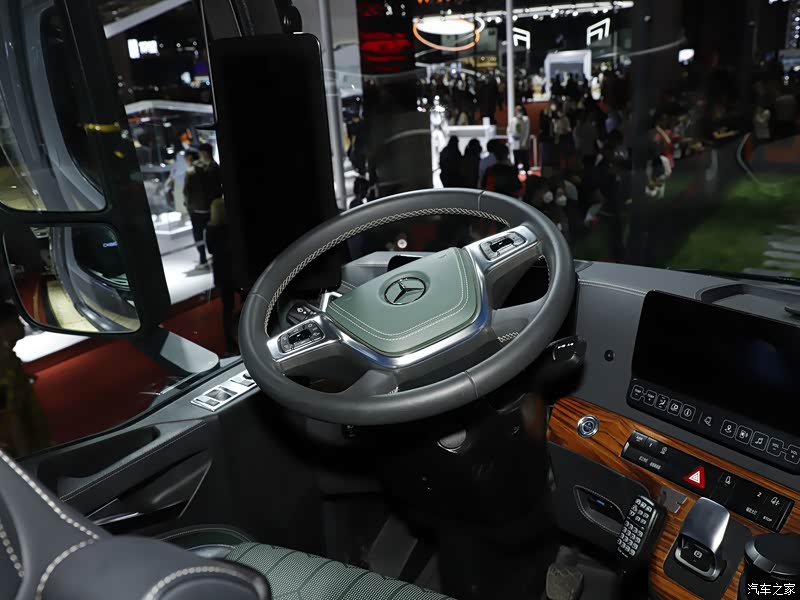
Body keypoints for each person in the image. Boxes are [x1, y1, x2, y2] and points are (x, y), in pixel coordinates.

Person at [0, 302, 50, 457]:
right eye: (16, 321)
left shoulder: (10, 361)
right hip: (28, 453)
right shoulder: (4, 369)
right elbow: (11, 419)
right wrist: (27, 458)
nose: (22, 325)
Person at [183, 149, 211, 269]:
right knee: (211, 233)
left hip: (197, 210)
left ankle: (203, 260)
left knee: (198, 236)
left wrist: (188, 206)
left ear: (189, 157)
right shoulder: (207, 167)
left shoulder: (190, 171)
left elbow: (186, 192)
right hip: (210, 208)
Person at [509, 105, 531, 171]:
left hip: (524, 145)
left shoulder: (526, 119)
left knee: (525, 160)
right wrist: (511, 140)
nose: (519, 112)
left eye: (520, 111)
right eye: (517, 111)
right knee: (516, 160)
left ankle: (527, 173)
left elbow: (527, 131)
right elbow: (509, 131)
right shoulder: (512, 120)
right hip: (515, 144)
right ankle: (515, 173)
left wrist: (524, 141)